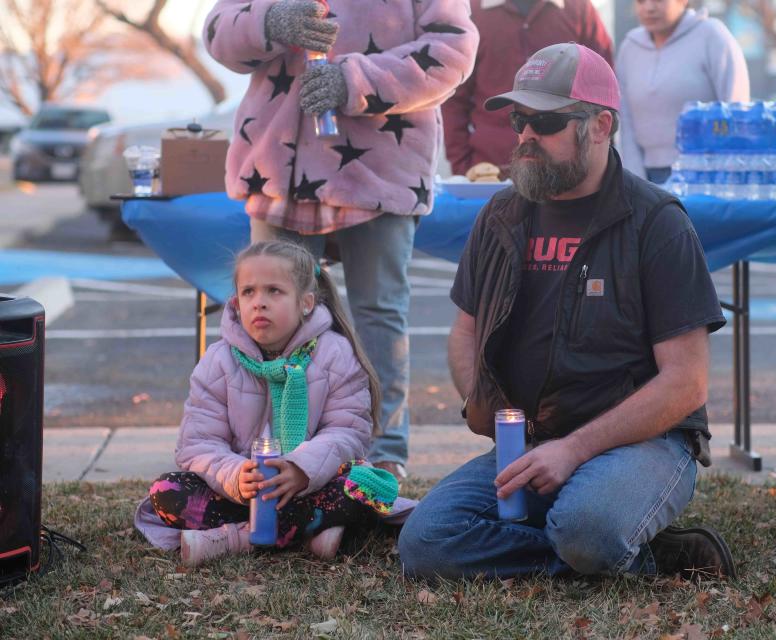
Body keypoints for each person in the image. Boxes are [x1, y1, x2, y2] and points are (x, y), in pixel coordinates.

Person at [398, 43, 736, 580]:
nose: (526, 135)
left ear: (600, 126)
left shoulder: (656, 222)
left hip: (639, 444)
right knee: (426, 544)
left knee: (587, 527)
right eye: (518, 119)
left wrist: (575, 449)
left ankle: (601, 539)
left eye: (546, 120)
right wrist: (487, 406)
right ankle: (639, 555)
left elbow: (686, 383)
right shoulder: (501, 214)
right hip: (534, 445)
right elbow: (464, 332)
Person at [203, 0, 480, 482]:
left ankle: (382, 454)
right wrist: (269, 22)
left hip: (381, 172)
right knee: (269, 318)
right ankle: (267, 452)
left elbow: (451, 51)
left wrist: (354, 83)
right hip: (278, 174)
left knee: (379, 314)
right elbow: (217, 32)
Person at [134, 241, 414, 566]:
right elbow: (197, 444)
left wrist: (301, 468)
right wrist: (237, 476)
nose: (259, 303)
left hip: (312, 486)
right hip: (240, 493)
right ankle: (309, 531)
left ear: (306, 302)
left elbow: (348, 433)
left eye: (274, 291)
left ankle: (233, 539)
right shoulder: (218, 361)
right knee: (167, 490)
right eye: (249, 292)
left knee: (361, 486)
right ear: (236, 303)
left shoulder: (335, 354)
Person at [441, 0, 613, 178]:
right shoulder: (473, 11)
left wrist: (601, 161)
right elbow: (453, 95)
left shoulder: (578, 8)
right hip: (489, 170)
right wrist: (462, 165)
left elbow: (603, 91)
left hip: (564, 173)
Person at [615, 0, 749, 183]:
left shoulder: (712, 36)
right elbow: (625, 119)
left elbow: (736, 108)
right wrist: (635, 179)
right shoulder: (629, 48)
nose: (649, 8)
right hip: (646, 176)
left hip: (706, 176)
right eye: (640, 1)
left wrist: (725, 174)